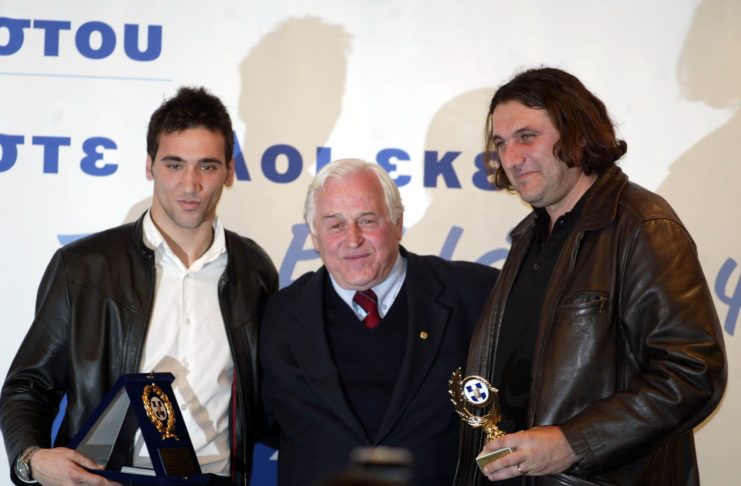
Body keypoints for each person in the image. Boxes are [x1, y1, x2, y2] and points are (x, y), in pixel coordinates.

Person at [454, 67, 727, 485]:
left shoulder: (643, 226)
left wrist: (573, 443)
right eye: (501, 143)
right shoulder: (530, 237)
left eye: (527, 136)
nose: (511, 158)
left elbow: (691, 373)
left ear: (578, 135)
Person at [0, 87, 278, 485]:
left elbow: (270, 399)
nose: (190, 184)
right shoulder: (83, 267)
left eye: (207, 166)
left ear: (229, 172)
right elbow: (28, 387)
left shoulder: (254, 270)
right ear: (150, 166)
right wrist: (30, 458)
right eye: (174, 164)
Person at [259, 158, 499, 485]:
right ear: (314, 236)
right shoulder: (278, 315)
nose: (353, 239)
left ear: (398, 223)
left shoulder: (477, 296)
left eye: (367, 220)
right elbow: (266, 421)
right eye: (335, 225)